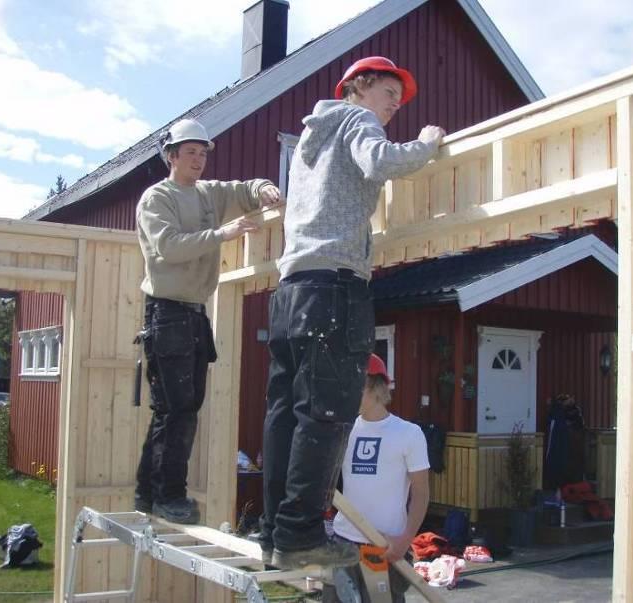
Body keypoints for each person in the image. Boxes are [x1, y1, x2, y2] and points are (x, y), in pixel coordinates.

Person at [260, 56, 445, 569]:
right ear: (359, 86)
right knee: (326, 414)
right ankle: (299, 535)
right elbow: (380, 161)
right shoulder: (357, 120)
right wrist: (426, 144)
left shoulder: (310, 141)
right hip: (333, 287)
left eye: (399, 101)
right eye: (389, 92)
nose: (394, 106)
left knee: (285, 414)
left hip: (292, 288)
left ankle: (274, 531)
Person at [134, 118, 281, 524]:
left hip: (193, 314)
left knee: (182, 407)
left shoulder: (207, 194)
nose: (199, 160)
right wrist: (223, 233)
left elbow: (244, 189)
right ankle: (168, 496)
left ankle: (148, 494)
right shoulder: (157, 198)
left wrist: (263, 188)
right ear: (172, 156)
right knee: (176, 409)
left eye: (203, 153)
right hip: (165, 312)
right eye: (191, 153)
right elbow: (167, 249)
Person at [323, 354, 430, 603]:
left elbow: (421, 493)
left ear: (374, 387)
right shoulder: (344, 430)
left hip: (383, 548)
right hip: (343, 545)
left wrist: (405, 541)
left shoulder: (408, 434)